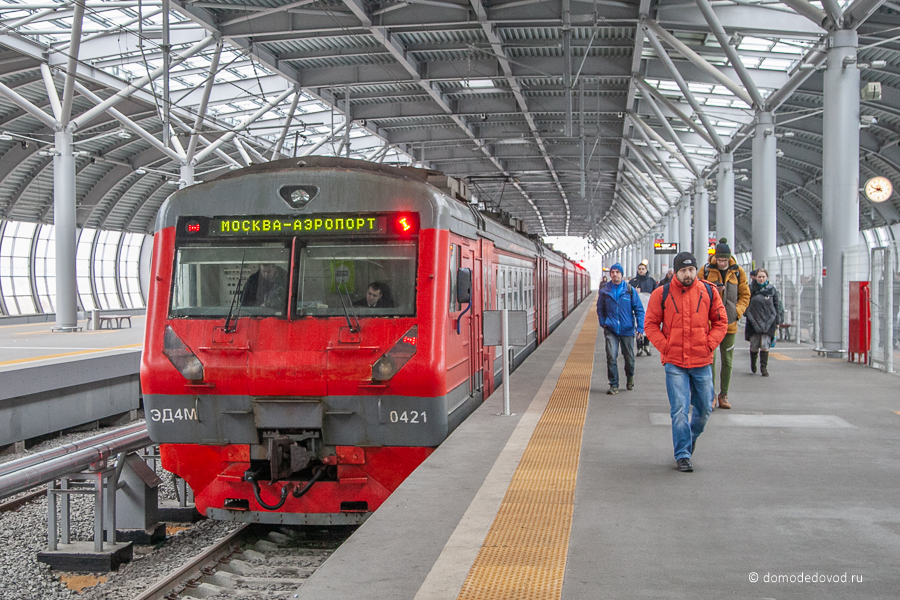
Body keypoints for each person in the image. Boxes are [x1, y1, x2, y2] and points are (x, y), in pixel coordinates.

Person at [644, 252, 728, 472]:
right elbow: (651, 324)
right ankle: (682, 455)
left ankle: (689, 439)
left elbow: (721, 322)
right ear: (676, 272)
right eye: (683, 270)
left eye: (691, 270)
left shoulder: (708, 291)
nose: (688, 274)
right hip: (675, 363)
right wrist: (666, 347)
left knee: (705, 408)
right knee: (679, 409)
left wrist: (709, 345)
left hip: (702, 360)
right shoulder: (661, 294)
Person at [698, 238, 750, 410]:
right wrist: (712, 291)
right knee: (710, 361)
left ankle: (724, 395)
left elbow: (745, 295)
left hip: (729, 324)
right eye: (720, 260)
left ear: (729, 258)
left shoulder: (738, 273)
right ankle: (710, 395)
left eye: (725, 260)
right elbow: (696, 293)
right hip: (710, 325)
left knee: (727, 361)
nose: (722, 263)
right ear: (715, 258)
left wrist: (737, 311)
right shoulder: (705, 271)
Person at [596, 263, 645, 395]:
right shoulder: (605, 291)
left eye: (617, 272)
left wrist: (640, 327)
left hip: (627, 330)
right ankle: (613, 384)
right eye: (612, 272)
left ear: (622, 274)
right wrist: (603, 322)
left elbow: (639, 310)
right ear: (610, 274)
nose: (615, 274)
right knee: (611, 357)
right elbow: (600, 309)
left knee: (629, 358)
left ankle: (630, 377)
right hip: (611, 329)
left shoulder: (629, 290)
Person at [744, 268, 783, 376]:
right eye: (759, 277)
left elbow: (777, 306)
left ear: (767, 278)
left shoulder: (772, 290)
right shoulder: (750, 289)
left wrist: (778, 321)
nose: (761, 279)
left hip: (769, 321)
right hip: (754, 321)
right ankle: (753, 363)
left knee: (765, 345)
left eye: (763, 277)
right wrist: (747, 314)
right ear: (755, 278)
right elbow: (745, 303)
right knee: (754, 345)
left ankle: (764, 368)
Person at [629, 261, 656, 356]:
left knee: (648, 325)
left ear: (646, 270)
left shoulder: (651, 281)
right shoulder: (633, 282)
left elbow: (656, 293)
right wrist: (634, 292)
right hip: (637, 309)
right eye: (639, 269)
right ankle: (639, 347)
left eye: (643, 269)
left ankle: (647, 345)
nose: (641, 271)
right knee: (638, 325)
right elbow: (628, 294)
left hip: (649, 308)